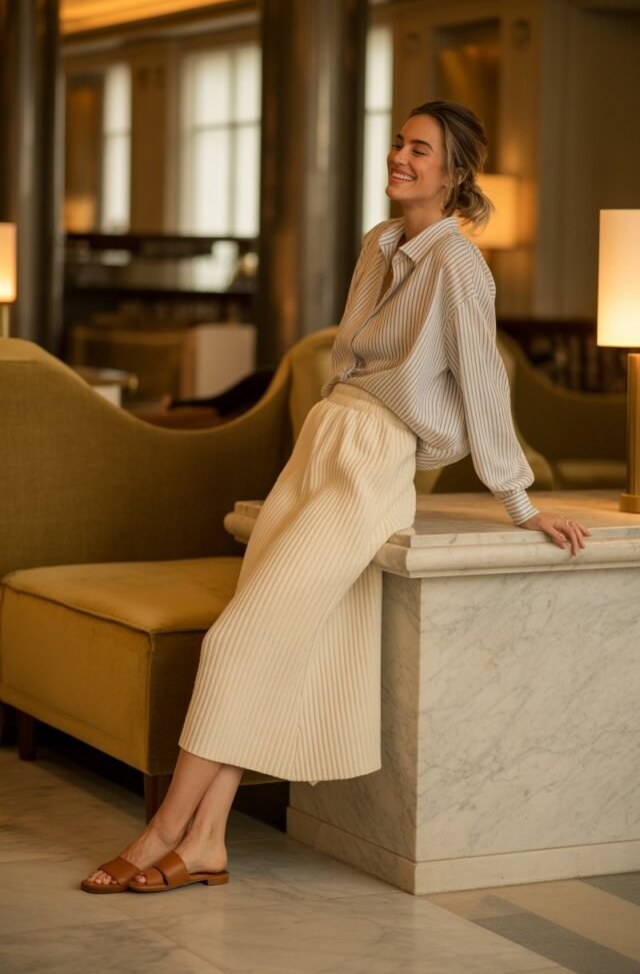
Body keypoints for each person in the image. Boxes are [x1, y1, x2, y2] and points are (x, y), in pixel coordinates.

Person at [82, 100, 590, 895]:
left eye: (419, 150)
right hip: (320, 444)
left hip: (373, 461)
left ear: (454, 174)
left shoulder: (460, 267)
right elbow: (346, 360)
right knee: (266, 646)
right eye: (398, 144)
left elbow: (486, 388)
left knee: (234, 643)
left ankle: (160, 832)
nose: (400, 158)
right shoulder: (379, 243)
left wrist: (522, 503)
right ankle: (208, 840)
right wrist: (321, 432)